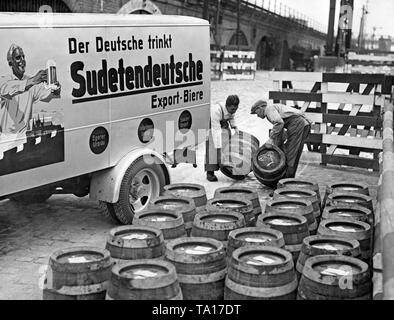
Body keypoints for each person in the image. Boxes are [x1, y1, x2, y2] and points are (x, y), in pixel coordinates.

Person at [0, 44, 61, 152]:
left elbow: (48, 97)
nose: (22, 60)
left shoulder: (30, 82)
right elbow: (9, 90)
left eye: (23, 57)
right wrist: (33, 81)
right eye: (18, 58)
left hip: (23, 137)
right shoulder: (4, 81)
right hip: (6, 139)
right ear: (10, 63)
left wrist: (55, 89)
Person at [250, 100, 311, 179]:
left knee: (291, 152)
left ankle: (287, 179)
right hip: (303, 124)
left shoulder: (269, 110)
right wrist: (276, 143)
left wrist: (271, 139)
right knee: (295, 152)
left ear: (260, 108)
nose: (257, 115)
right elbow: (281, 130)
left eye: (256, 112)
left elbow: (279, 123)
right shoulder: (272, 110)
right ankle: (289, 177)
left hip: (298, 124)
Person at [205, 95, 239, 182]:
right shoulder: (215, 110)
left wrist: (235, 127)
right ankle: (210, 172)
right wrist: (219, 146)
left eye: (235, 109)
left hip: (223, 124)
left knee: (228, 146)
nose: (233, 111)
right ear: (227, 106)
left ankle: (227, 167)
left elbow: (231, 117)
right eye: (232, 109)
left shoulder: (232, 109)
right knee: (212, 149)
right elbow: (216, 130)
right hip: (213, 126)